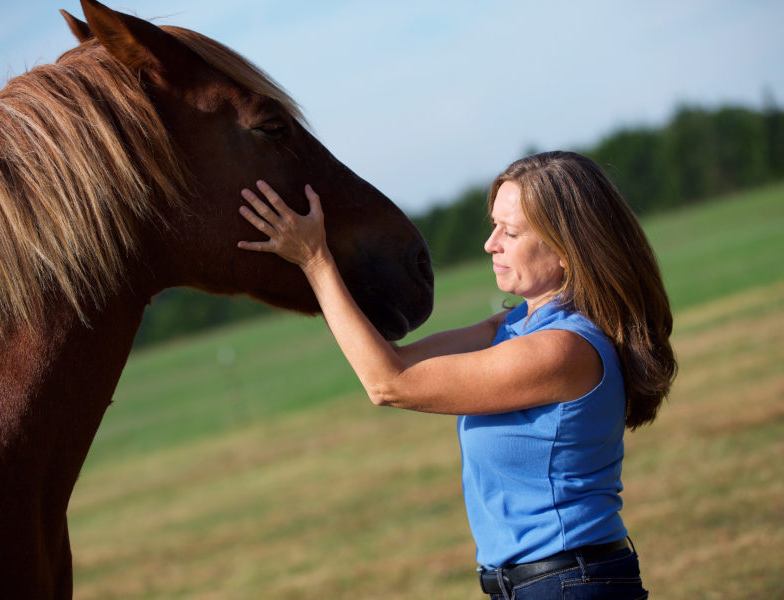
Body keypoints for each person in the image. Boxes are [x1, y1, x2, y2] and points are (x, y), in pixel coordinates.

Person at [236, 151, 676, 599]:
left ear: (565, 248)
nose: (491, 243)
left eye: (511, 231)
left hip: (567, 584)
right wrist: (322, 264)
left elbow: (388, 384)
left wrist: (315, 260)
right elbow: (391, 360)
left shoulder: (561, 349)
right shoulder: (511, 327)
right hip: (538, 585)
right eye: (493, 225)